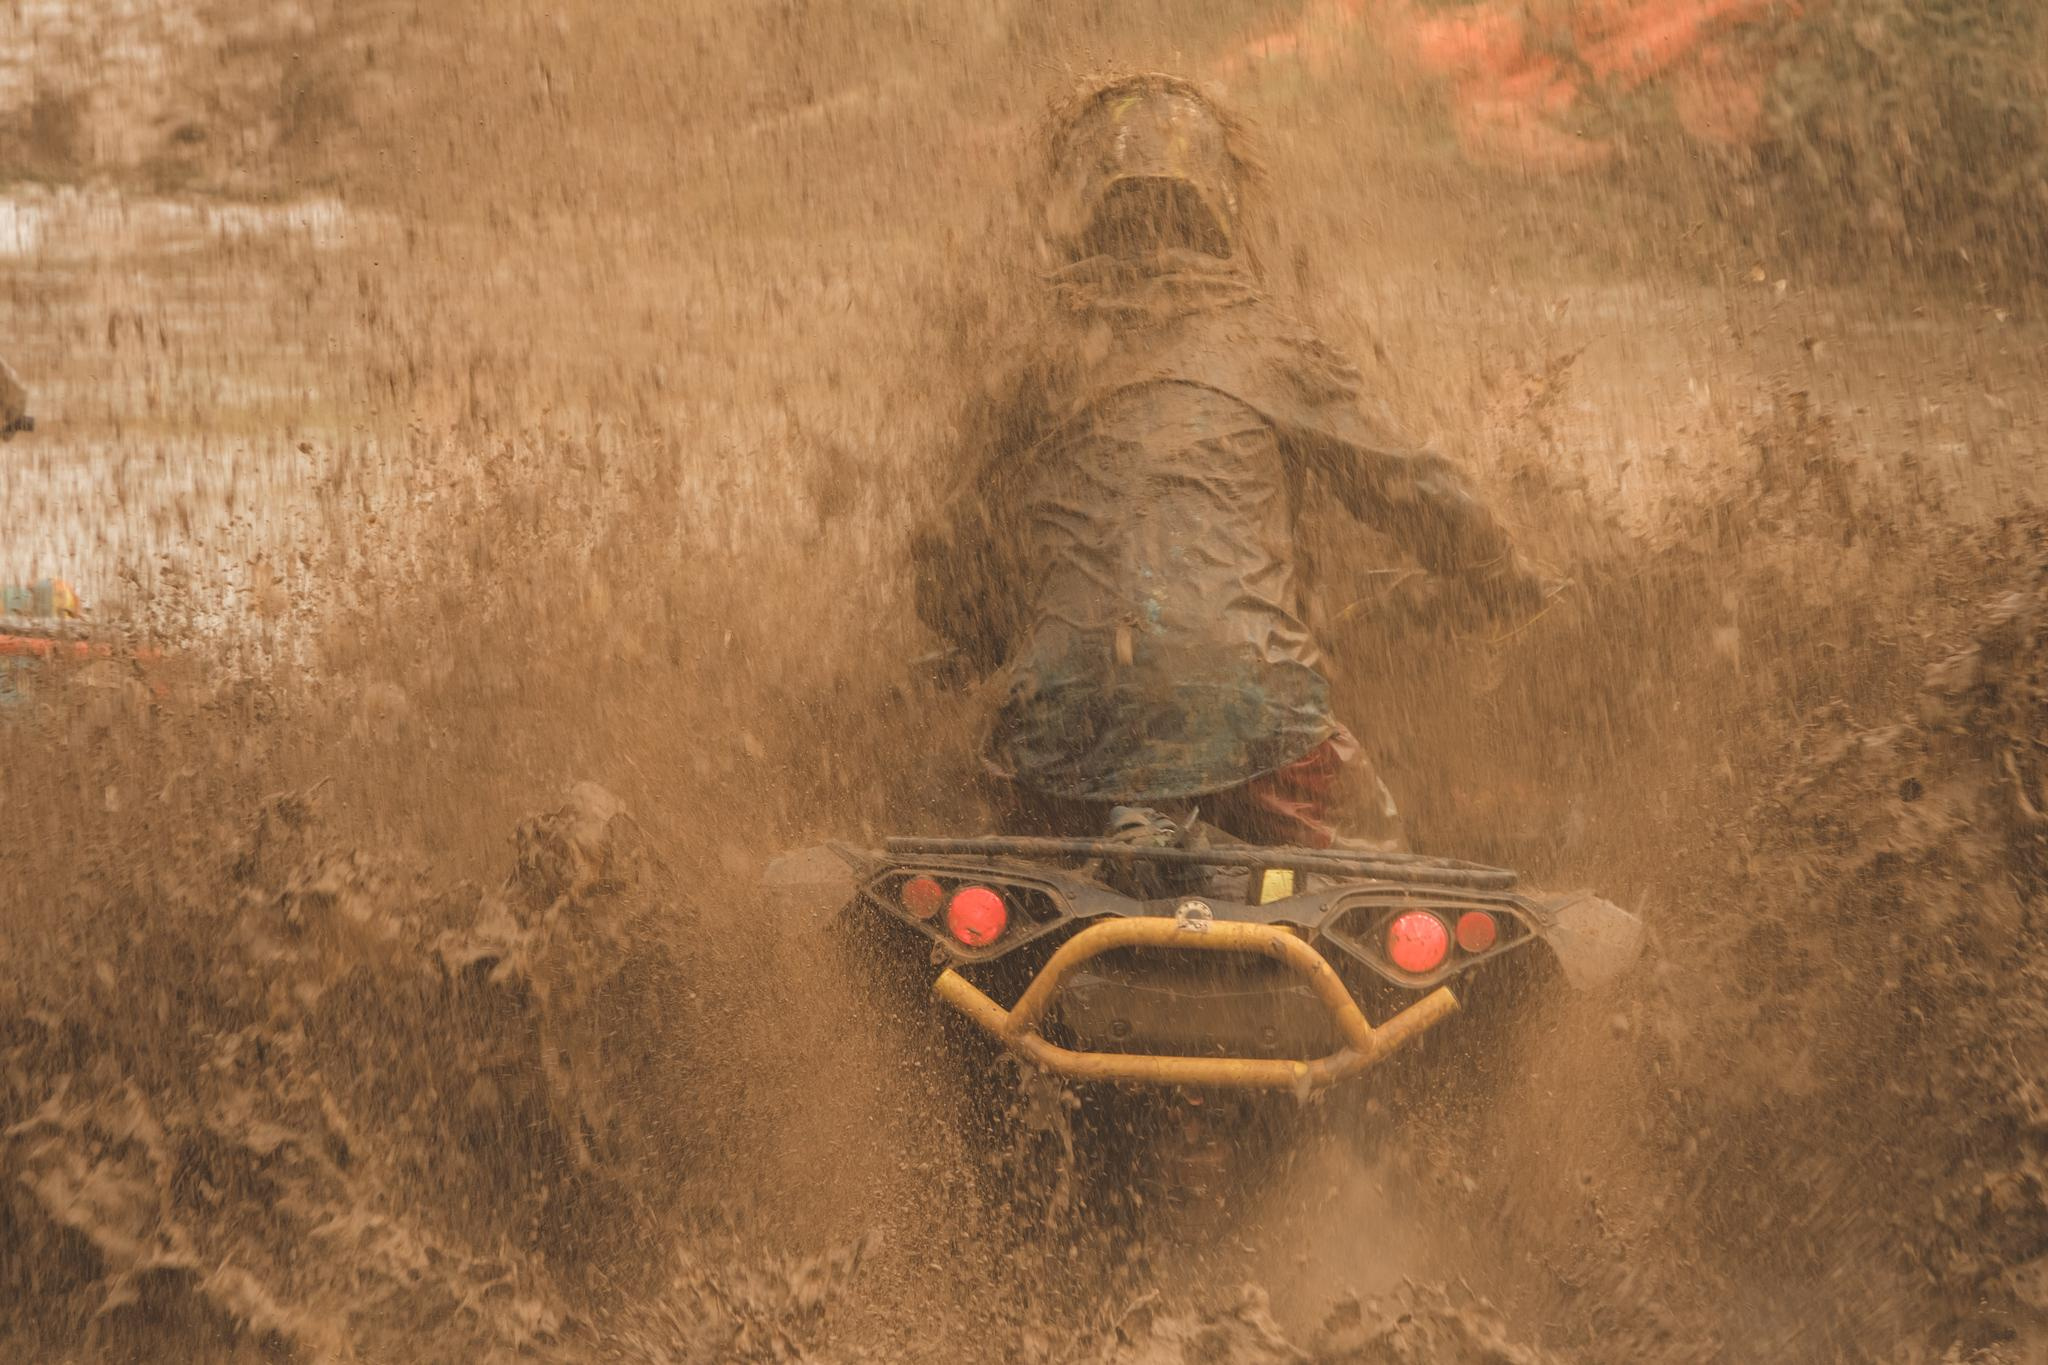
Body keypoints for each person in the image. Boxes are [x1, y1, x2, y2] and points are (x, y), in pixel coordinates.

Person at [911, 73, 1551, 850]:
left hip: (1060, 740)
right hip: (1261, 725)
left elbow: (947, 564)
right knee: (1379, 899)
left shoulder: (1026, 365)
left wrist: (994, 643)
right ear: (1221, 207)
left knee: (973, 876)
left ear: (1076, 209)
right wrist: (1503, 578)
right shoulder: (1274, 347)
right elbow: (1416, 488)